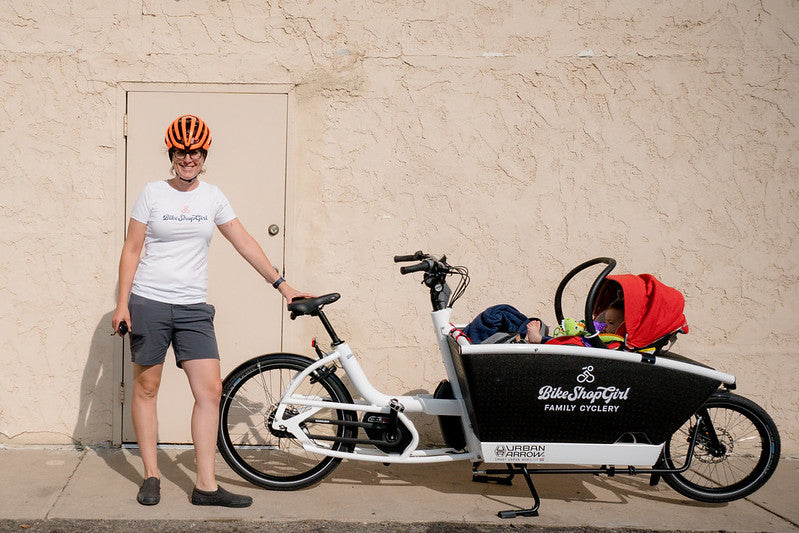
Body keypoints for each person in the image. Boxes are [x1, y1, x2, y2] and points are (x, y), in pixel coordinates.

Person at [111, 114, 311, 508]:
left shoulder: (212, 197)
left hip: (193, 308)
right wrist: (122, 303)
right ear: (172, 154)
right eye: (182, 151)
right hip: (149, 302)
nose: (189, 158)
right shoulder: (152, 193)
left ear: (204, 155)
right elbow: (132, 248)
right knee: (147, 388)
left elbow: (245, 242)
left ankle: (205, 485)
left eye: (196, 151)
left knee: (210, 391)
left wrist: (282, 285)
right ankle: (151, 475)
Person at [525, 299, 625, 344]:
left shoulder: (617, 343)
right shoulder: (603, 332)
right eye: (605, 321)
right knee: (572, 338)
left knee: (573, 342)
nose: (605, 326)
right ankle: (545, 339)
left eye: (611, 323)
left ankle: (540, 339)